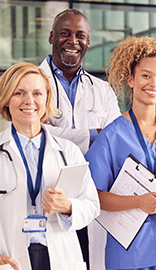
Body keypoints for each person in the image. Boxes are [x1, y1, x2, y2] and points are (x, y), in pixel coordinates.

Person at [85, 36, 156, 270]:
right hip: (130, 256)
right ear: (130, 79)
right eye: (146, 76)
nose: (154, 84)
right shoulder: (111, 137)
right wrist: (138, 202)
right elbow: (93, 196)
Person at [0, 63, 100, 270]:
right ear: (7, 98)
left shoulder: (68, 151)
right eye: (19, 93)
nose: (29, 101)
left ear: (46, 99)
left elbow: (92, 205)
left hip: (60, 256)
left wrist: (68, 207)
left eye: (37, 93)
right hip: (10, 257)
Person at [38, 9, 121, 269]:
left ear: (88, 42)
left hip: (91, 194)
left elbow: (115, 140)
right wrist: (95, 135)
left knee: (88, 259)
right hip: (47, 191)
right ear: (52, 37)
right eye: (65, 33)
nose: (73, 41)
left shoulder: (102, 89)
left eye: (80, 35)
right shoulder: (33, 83)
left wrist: (57, 132)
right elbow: (32, 132)